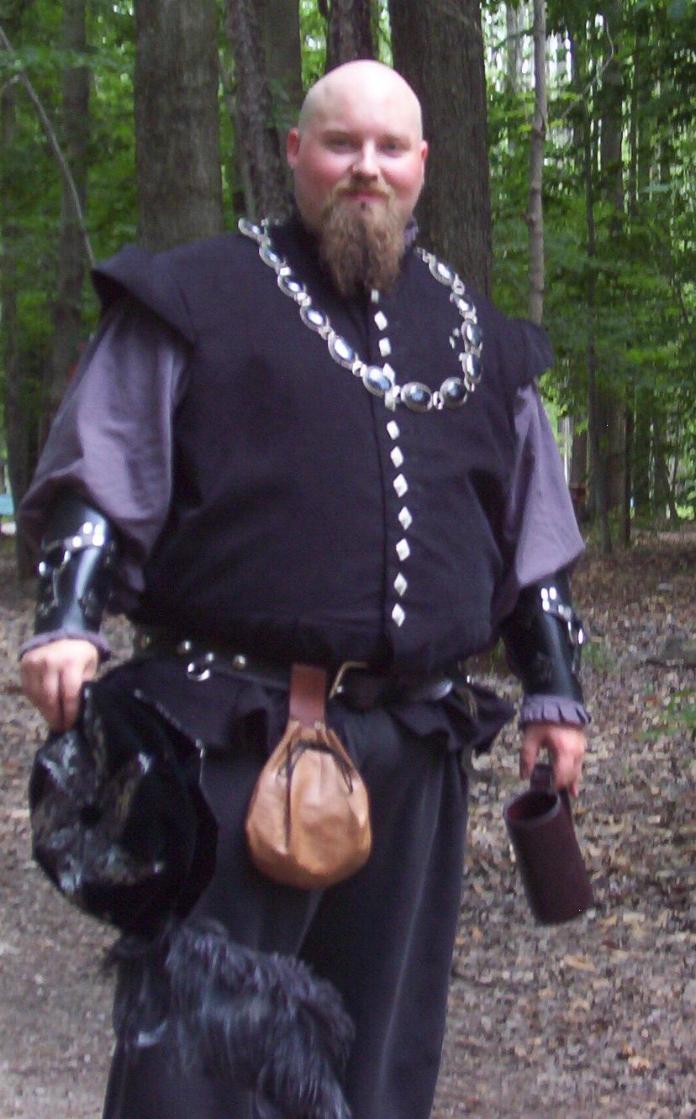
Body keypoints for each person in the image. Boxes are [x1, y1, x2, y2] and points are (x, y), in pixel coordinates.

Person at [19, 60, 588, 1119]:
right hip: (226, 739)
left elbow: (534, 537)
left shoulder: (481, 339)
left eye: (389, 148)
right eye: (340, 144)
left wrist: (554, 694)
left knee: (381, 1060)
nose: (365, 167)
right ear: (296, 154)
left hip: (412, 750)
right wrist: (68, 618)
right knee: (197, 1066)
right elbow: (104, 469)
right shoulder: (194, 296)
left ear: (422, 165)